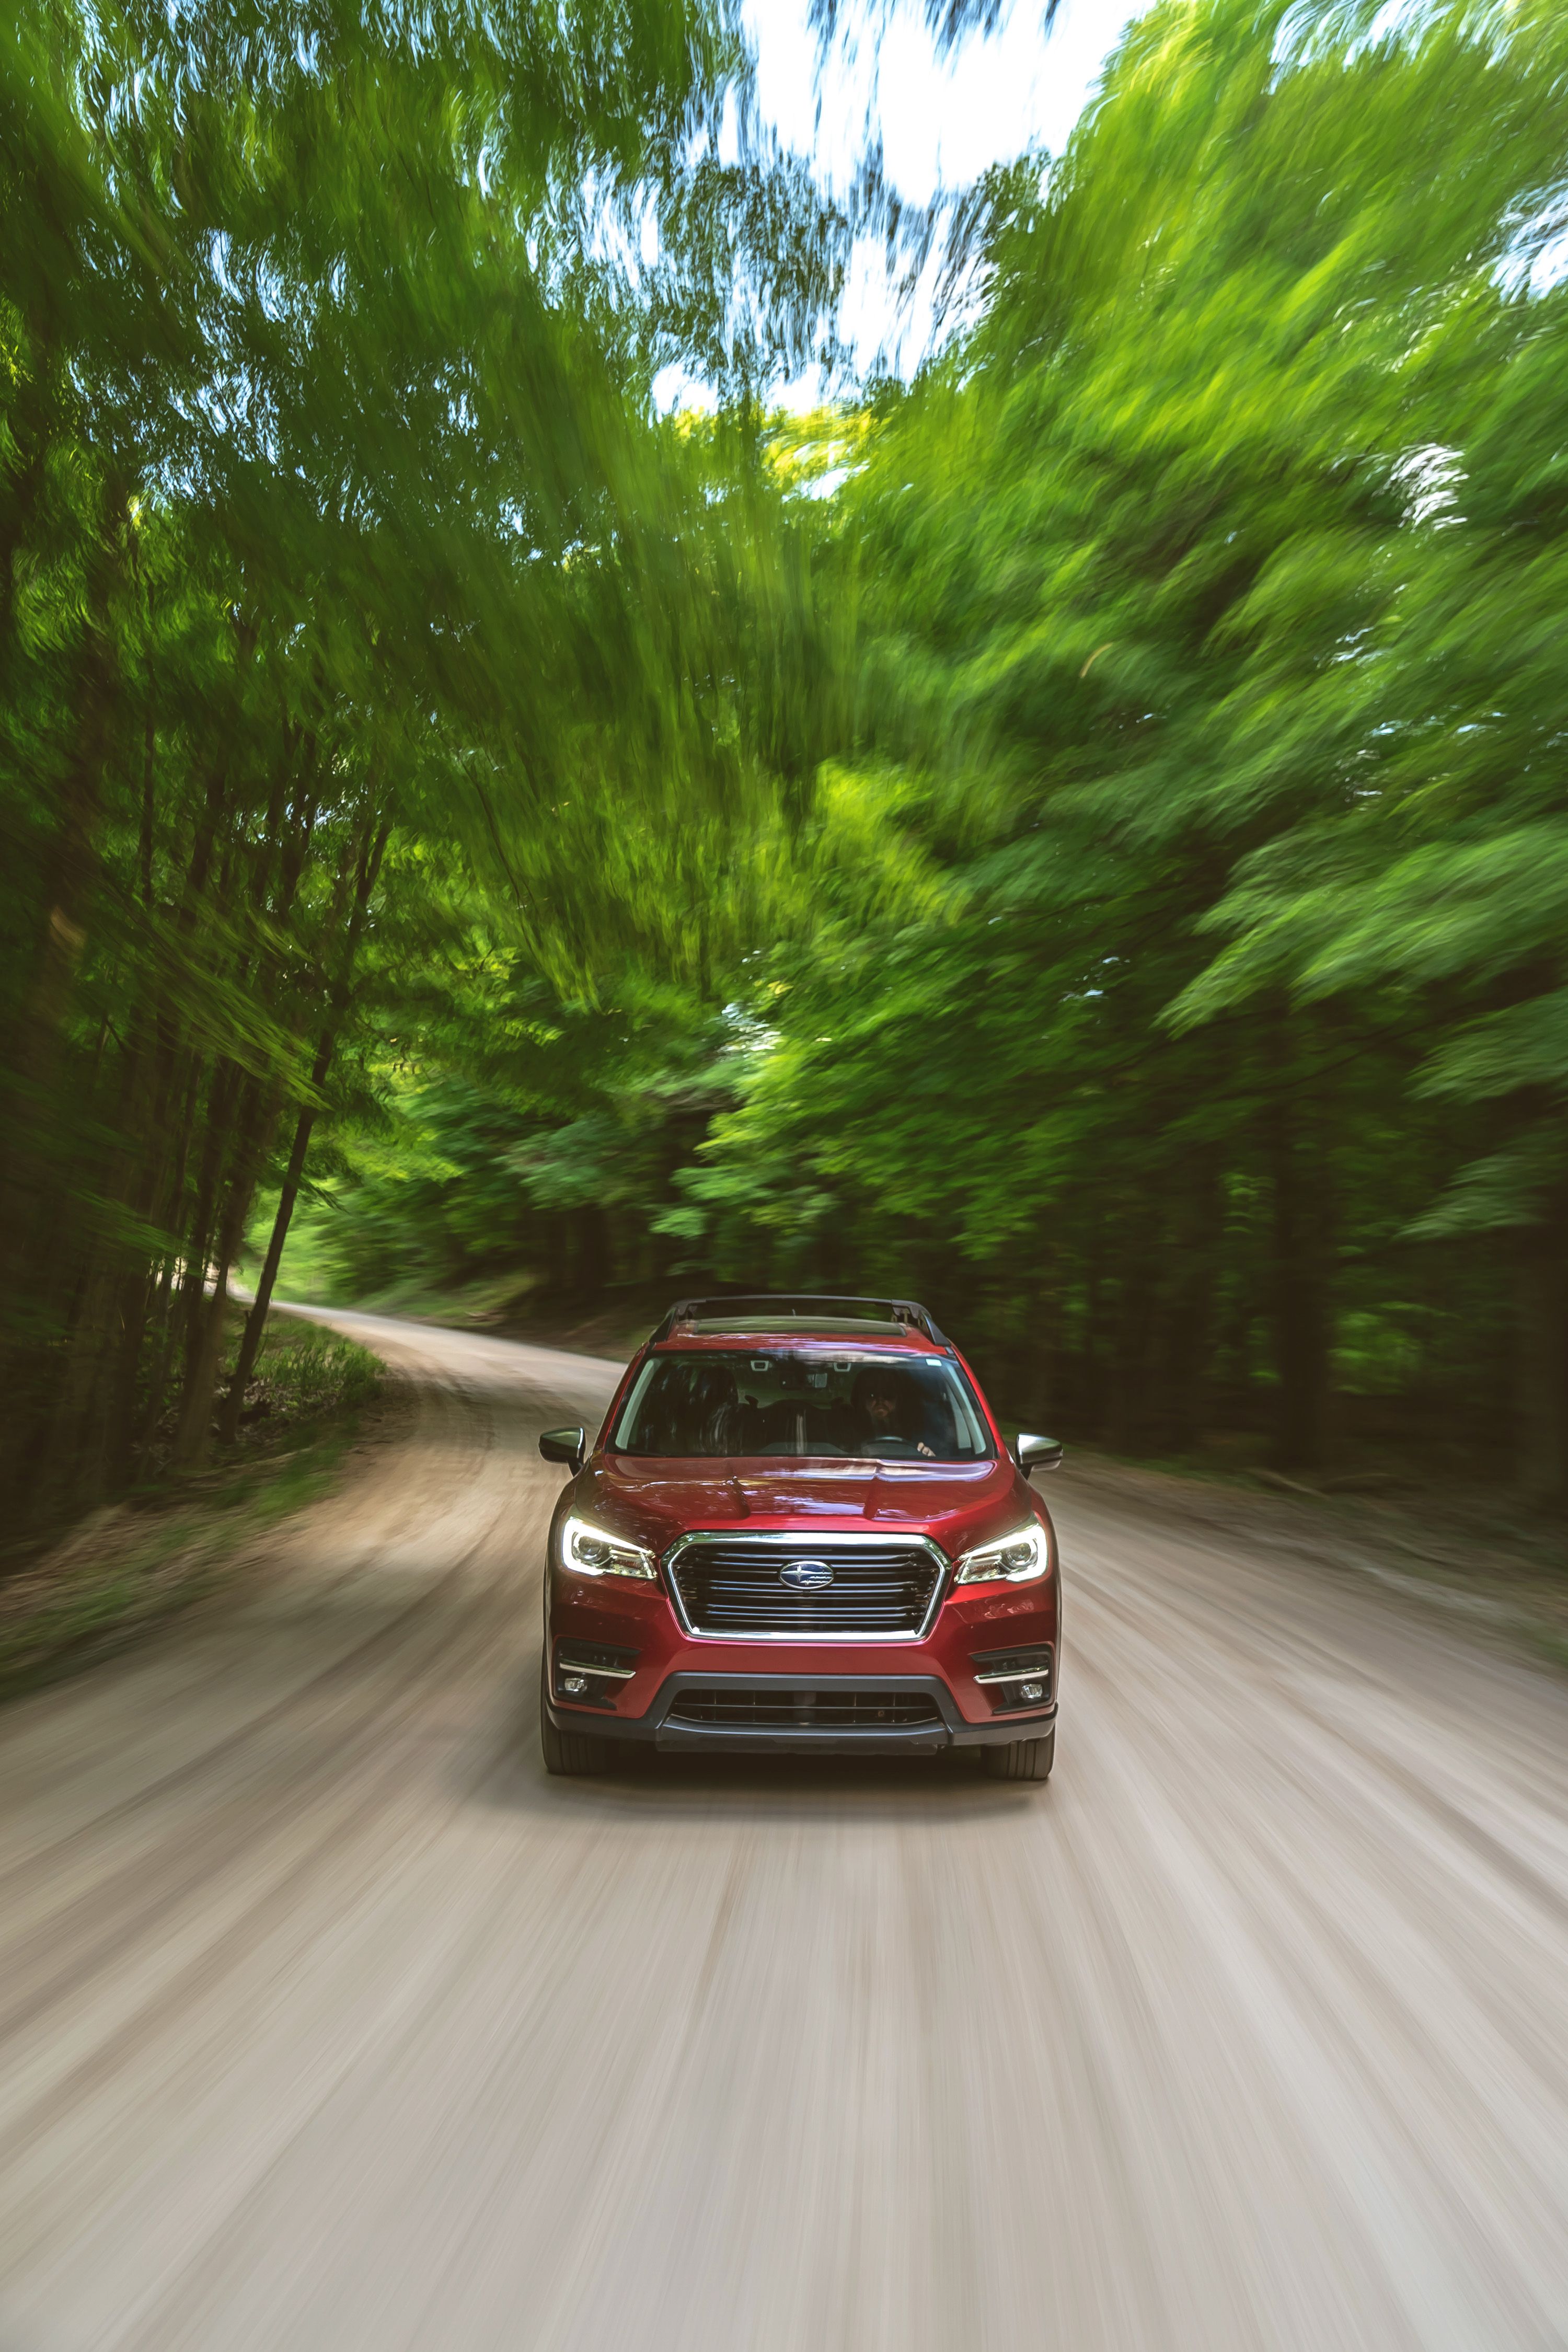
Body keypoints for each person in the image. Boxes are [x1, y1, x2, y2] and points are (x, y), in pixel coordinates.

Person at [851, 1367, 935, 1458]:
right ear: (862, 1400)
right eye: (872, 1395)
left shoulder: (919, 1432)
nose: (880, 1400)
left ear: (898, 1399)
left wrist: (929, 1457)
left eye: (888, 1394)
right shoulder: (848, 1431)